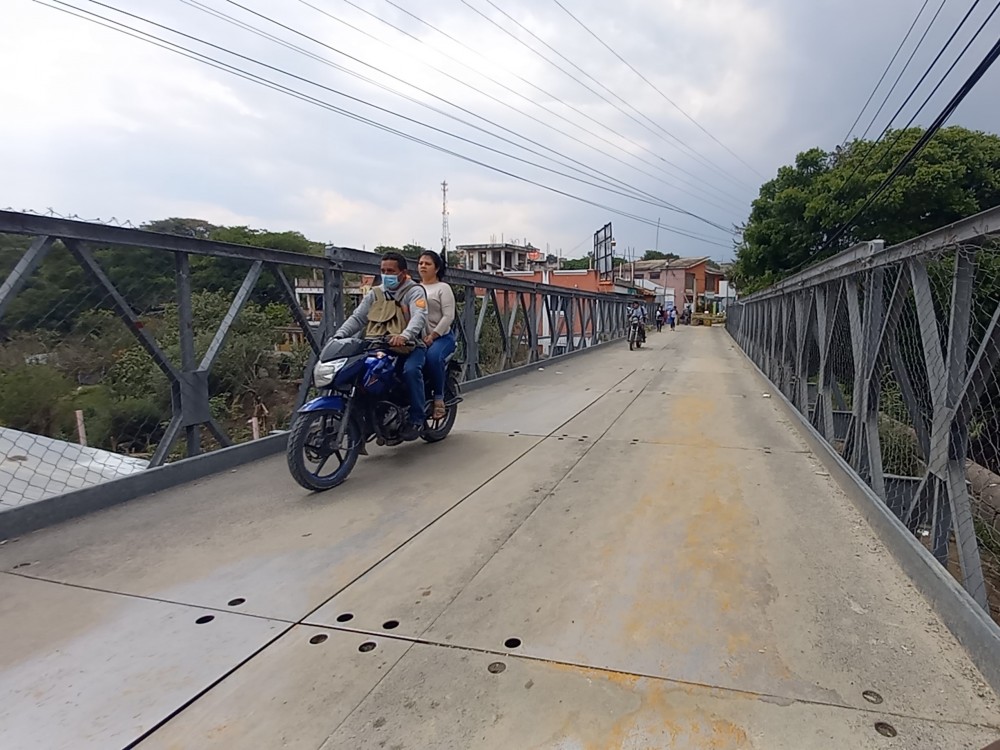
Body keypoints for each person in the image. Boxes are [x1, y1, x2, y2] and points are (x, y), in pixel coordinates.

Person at [333, 252, 428, 441]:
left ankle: (417, 419)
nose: (386, 275)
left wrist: (405, 335)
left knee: (410, 371)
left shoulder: (414, 291)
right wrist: (339, 335)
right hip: (377, 345)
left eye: (391, 271)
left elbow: (419, 315)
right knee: (360, 374)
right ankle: (370, 416)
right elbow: (358, 317)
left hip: (410, 346)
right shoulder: (375, 293)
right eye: (383, 271)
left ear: (403, 272)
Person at [417, 250, 456, 420]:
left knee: (433, 358)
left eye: (427, 263)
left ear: (437, 268)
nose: (423, 266)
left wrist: (433, 335)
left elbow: (448, 316)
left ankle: (439, 398)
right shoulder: (414, 288)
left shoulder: (443, 288)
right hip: (418, 338)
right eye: (420, 263)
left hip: (441, 337)